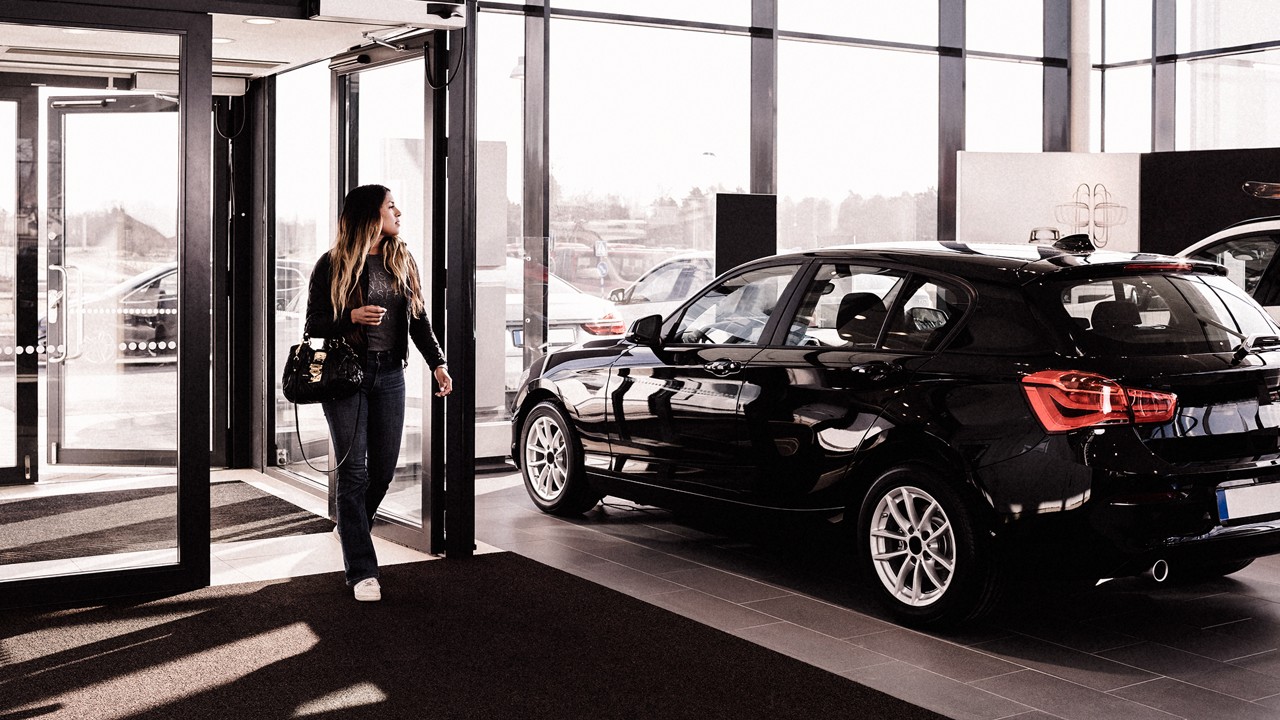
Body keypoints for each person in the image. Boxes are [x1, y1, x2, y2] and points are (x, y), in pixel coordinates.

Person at [304, 184, 453, 602]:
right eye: (391, 206)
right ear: (371, 215)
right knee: (353, 473)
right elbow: (313, 325)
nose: (399, 212)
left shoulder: (401, 260)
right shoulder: (331, 265)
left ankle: (351, 527)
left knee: (383, 470)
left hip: (390, 375)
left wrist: (438, 363)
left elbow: (420, 322)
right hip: (346, 379)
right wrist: (349, 315)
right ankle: (362, 571)